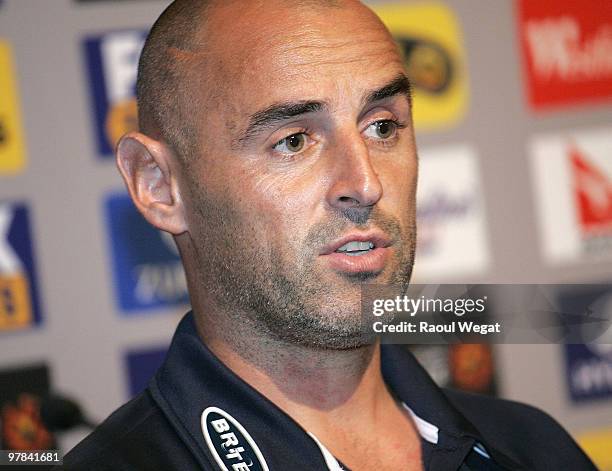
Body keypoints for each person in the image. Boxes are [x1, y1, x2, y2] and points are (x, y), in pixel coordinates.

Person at [60, 0, 596, 469]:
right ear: (159, 186)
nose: (365, 184)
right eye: (293, 141)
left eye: (382, 126)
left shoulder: (533, 447)